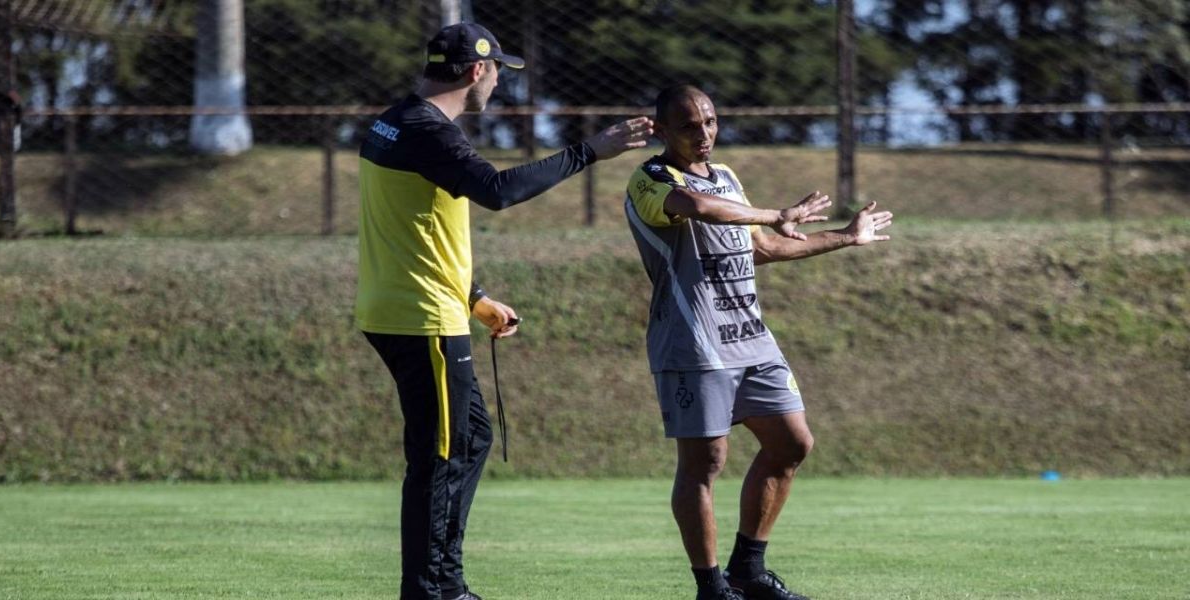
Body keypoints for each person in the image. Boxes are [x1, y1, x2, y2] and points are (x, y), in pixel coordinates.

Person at [356, 22, 653, 600]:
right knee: (441, 457)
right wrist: (592, 150)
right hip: (421, 318)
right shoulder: (428, 130)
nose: (497, 84)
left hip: (412, 305)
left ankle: (446, 583)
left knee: (469, 438)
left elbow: (414, 228)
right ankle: (430, 590)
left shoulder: (395, 120)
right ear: (476, 70)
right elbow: (498, 191)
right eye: (496, 72)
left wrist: (474, 297)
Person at [623, 84, 893, 600]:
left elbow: (761, 248)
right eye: (688, 126)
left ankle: (748, 569)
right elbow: (697, 207)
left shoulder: (725, 177)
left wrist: (846, 236)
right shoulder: (651, 178)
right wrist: (775, 213)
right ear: (661, 130)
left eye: (710, 122)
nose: (703, 134)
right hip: (695, 342)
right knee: (704, 464)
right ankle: (711, 587)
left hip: (752, 340)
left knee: (792, 443)